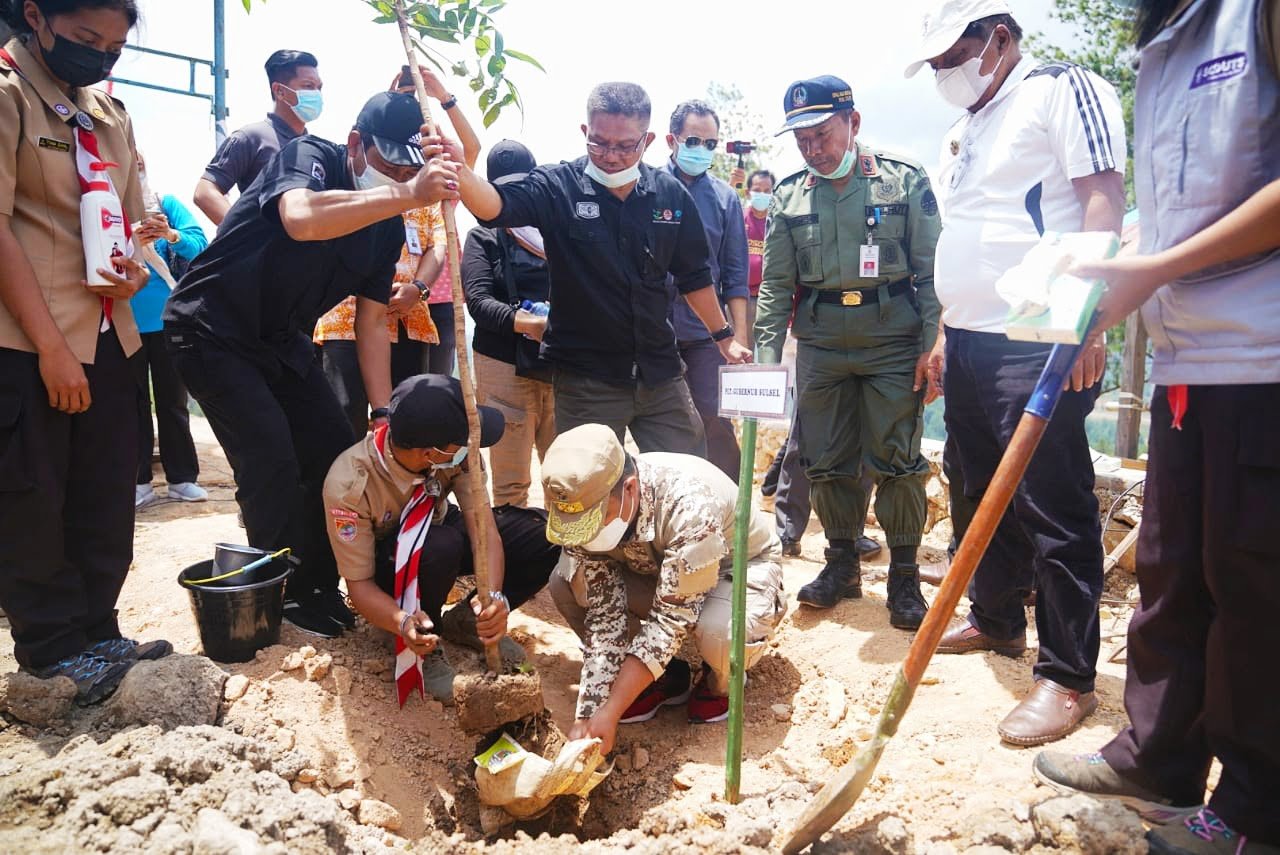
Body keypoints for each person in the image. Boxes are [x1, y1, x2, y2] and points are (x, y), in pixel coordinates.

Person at [1034, 1, 1280, 851]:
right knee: (1172, 570)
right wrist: (1107, 277)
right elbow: (1186, 203)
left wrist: (1154, 269)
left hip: (1264, 353)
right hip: (1188, 356)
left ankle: (1255, 811)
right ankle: (1158, 753)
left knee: (1258, 588)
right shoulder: (1163, 41)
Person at [905, 0, 1126, 746]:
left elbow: (1103, 198)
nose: (943, 74)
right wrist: (943, 330)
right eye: (933, 65)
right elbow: (970, 234)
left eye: (951, 57)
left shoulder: (1063, 89)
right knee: (973, 486)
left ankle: (1067, 675)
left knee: (1052, 505)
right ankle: (996, 618)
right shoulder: (965, 125)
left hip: (1038, 335)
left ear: (998, 38)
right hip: (968, 339)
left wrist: (1087, 315)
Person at [163, 91, 461, 638]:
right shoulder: (311, 157)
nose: (398, 180)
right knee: (270, 456)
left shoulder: (387, 228)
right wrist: (406, 191)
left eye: (408, 170)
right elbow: (299, 218)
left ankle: (319, 585)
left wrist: (380, 410)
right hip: (211, 328)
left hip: (280, 340)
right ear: (356, 145)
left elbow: (372, 323)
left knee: (332, 451)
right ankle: (277, 588)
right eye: (390, 165)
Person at [0, 0, 171, 705]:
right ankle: (48, 650)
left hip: (110, 334)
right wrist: (49, 347)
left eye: (114, 46)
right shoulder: (8, 96)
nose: (100, 55)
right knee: (32, 495)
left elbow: (128, 221)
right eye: (84, 39)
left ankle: (98, 632)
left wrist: (134, 260)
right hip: (26, 338)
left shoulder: (108, 113)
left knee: (104, 491)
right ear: (36, 16)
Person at [446, 81, 752, 455]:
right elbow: (494, 206)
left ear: (648, 140)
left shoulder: (670, 195)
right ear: (585, 132)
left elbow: (695, 277)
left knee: (687, 475)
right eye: (599, 143)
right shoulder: (558, 187)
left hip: (660, 374)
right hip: (586, 380)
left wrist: (724, 337)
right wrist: (458, 171)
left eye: (625, 146)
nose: (610, 155)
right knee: (585, 491)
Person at [754, 75, 940, 630]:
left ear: (853, 123)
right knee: (827, 461)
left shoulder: (902, 180)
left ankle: (904, 578)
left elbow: (932, 273)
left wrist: (934, 348)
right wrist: (767, 361)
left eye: (822, 134)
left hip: (892, 341)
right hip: (821, 343)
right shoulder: (789, 195)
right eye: (801, 139)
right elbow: (775, 288)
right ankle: (841, 565)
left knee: (898, 461)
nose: (812, 148)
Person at [543, 424, 786, 753]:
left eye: (598, 520)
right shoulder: (582, 504)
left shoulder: (690, 505)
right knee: (566, 583)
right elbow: (604, 614)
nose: (588, 535)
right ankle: (665, 676)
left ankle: (720, 684)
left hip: (736, 568)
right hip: (659, 569)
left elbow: (669, 621)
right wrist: (591, 712)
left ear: (629, 489)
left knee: (720, 635)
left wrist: (611, 711)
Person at [323, 374, 560, 702]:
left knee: (546, 535)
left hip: (438, 529)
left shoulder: (458, 451)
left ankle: (467, 620)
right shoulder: (349, 484)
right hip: (391, 568)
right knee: (439, 547)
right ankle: (422, 638)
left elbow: (484, 531)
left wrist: (492, 598)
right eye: (460, 444)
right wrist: (401, 620)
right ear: (430, 454)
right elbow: (359, 586)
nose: (471, 445)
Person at [314, 67, 479, 438]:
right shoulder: (358, 173)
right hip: (346, 314)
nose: (400, 174)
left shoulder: (428, 179)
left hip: (411, 314)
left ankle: (404, 492)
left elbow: (439, 239)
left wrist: (444, 98)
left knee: (408, 417)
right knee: (343, 415)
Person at [462, 140, 556, 508]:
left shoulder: (556, 232)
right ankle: (518, 558)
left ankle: (565, 559)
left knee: (567, 477)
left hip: (558, 366)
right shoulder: (482, 237)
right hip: (503, 367)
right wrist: (528, 323)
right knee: (511, 485)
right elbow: (479, 303)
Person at [662, 99, 750, 479]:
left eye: (711, 144)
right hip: (655, 333)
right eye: (694, 141)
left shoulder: (725, 199)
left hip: (708, 338)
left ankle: (728, 514)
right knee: (664, 428)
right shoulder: (646, 188)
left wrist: (738, 340)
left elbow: (735, 275)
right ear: (672, 140)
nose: (703, 151)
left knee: (715, 423)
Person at [130, 153, 209, 508]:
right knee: (132, 405)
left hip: (167, 320)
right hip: (122, 321)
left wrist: (170, 234)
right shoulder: (106, 207)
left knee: (172, 402)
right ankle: (138, 480)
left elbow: (200, 245)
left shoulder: (167, 204)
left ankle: (181, 479)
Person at [193, 49, 320, 227]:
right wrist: (242, 236)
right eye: (308, 86)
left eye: (319, 88)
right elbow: (205, 192)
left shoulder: (316, 149)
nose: (317, 94)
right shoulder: (252, 138)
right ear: (279, 91)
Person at [744, 168, 774, 335]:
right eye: (757, 190)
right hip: (742, 299)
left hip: (769, 300)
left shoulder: (778, 223)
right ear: (748, 193)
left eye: (767, 191)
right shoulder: (739, 218)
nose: (762, 194)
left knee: (768, 355)